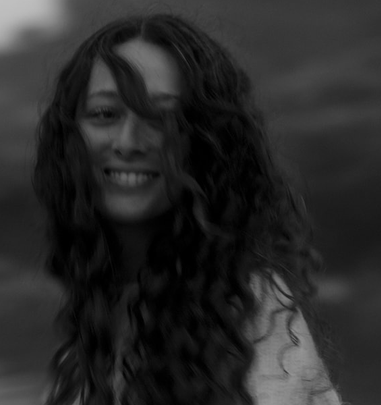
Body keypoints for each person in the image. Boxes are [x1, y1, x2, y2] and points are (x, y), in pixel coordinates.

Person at [32, 13, 343, 405]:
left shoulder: (251, 309)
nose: (128, 142)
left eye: (162, 117)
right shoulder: (93, 330)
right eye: (105, 114)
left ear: (207, 144)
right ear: (70, 137)